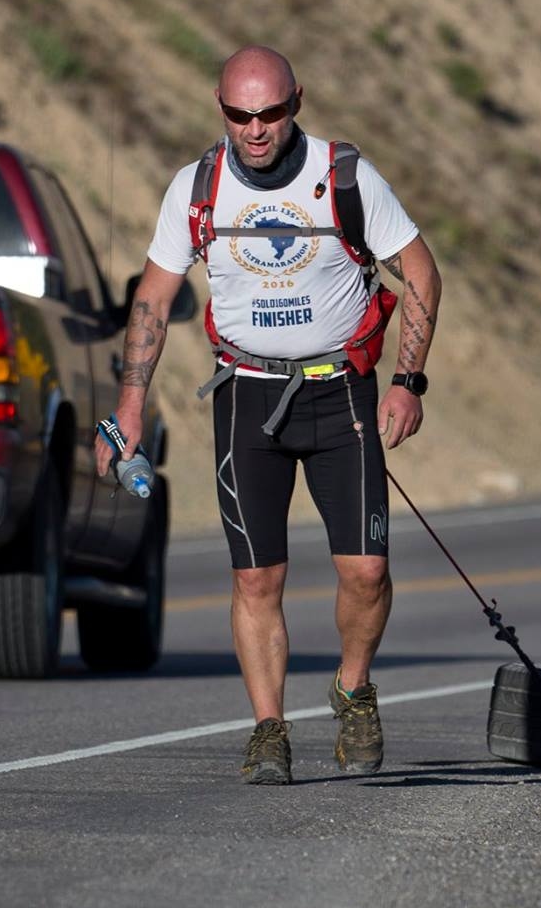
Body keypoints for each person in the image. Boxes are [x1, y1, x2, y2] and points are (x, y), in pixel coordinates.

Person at [97, 45, 442, 785]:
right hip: (246, 396)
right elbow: (154, 297)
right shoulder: (197, 187)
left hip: (340, 391)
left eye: (272, 112)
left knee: (368, 570)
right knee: (258, 578)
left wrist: (408, 379)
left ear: (298, 103)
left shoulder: (343, 174)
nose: (256, 129)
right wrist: (130, 401)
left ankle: (353, 687)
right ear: (220, 108)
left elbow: (418, 269)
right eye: (239, 114)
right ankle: (269, 729)